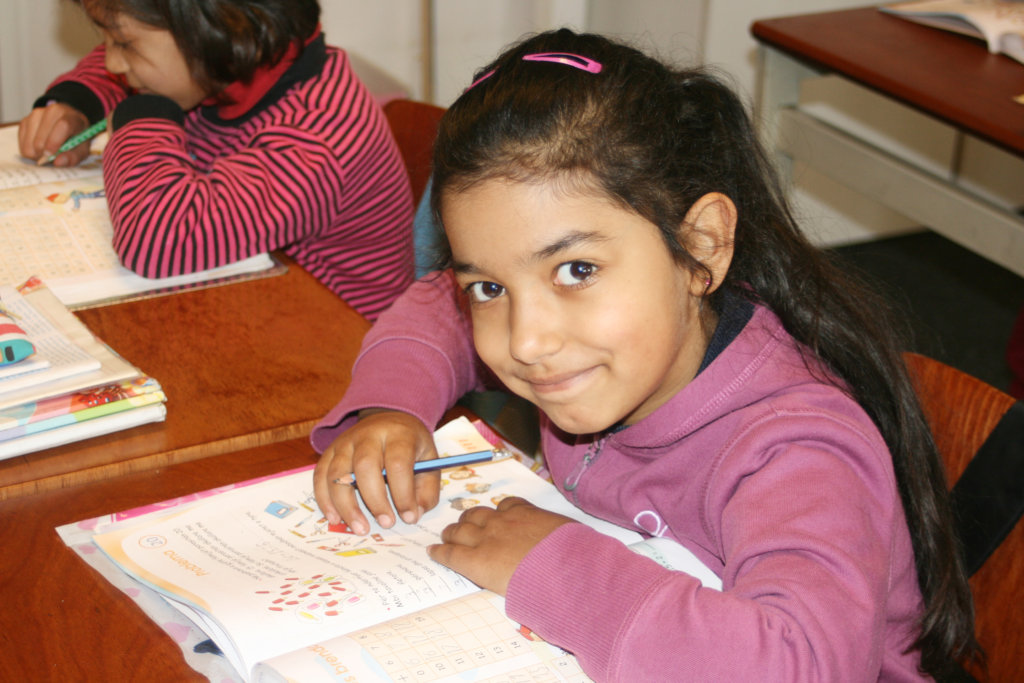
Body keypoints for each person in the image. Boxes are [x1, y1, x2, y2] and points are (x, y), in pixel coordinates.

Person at [310, 29, 978, 680]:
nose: (526, 340)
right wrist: (390, 409)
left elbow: (795, 664)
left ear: (704, 245)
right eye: (489, 287)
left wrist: (556, 566)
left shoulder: (794, 448)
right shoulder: (614, 351)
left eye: (575, 270)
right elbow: (438, 307)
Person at [17, 0, 413, 321]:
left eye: (124, 44)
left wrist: (143, 114)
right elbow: (128, 70)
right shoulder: (224, 66)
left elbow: (157, 241)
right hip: (246, 299)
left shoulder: (319, 140)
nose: (113, 64)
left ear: (222, 32)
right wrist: (78, 103)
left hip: (338, 352)